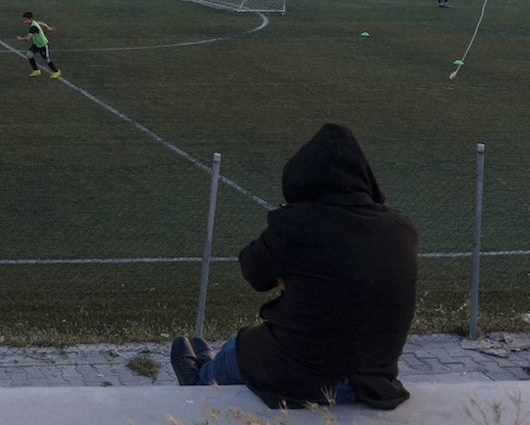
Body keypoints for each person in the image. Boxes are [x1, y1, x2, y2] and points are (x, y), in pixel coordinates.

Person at [168, 123, 418, 410]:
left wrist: (286, 274)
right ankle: (209, 365)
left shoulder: (297, 224)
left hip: (307, 379)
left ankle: (200, 380)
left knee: (239, 346)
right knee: (248, 344)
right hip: (376, 383)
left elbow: (253, 270)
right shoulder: (402, 227)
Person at [17, 12, 61, 78]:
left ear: (31, 19)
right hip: (36, 44)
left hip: (43, 45)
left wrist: (20, 38)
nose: (24, 21)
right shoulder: (34, 22)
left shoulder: (33, 27)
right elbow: (40, 23)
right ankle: (36, 70)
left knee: (46, 60)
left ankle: (56, 71)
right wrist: (48, 27)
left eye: (26, 19)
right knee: (29, 55)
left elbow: (28, 38)